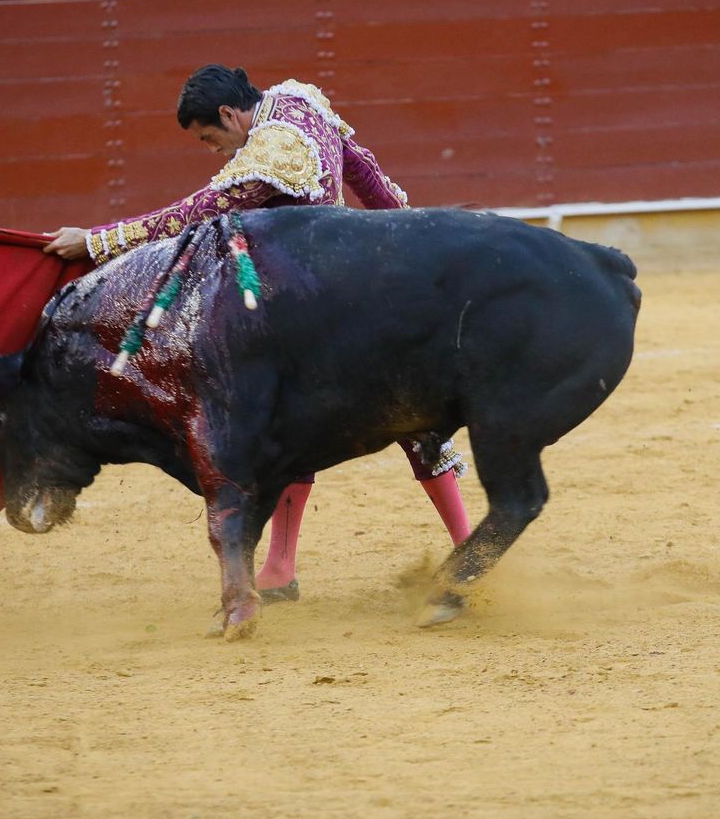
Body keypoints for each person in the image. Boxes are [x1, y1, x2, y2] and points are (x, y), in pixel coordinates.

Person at [42, 65, 472, 600]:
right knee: (406, 417)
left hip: (311, 311)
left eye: (210, 138)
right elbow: (364, 172)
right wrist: (410, 239)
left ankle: (286, 567)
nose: (214, 151)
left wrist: (98, 241)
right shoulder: (299, 100)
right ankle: (460, 547)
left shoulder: (271, 154)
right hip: (358, 288)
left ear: (229, 114)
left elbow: (194, 214)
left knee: (299, 422)